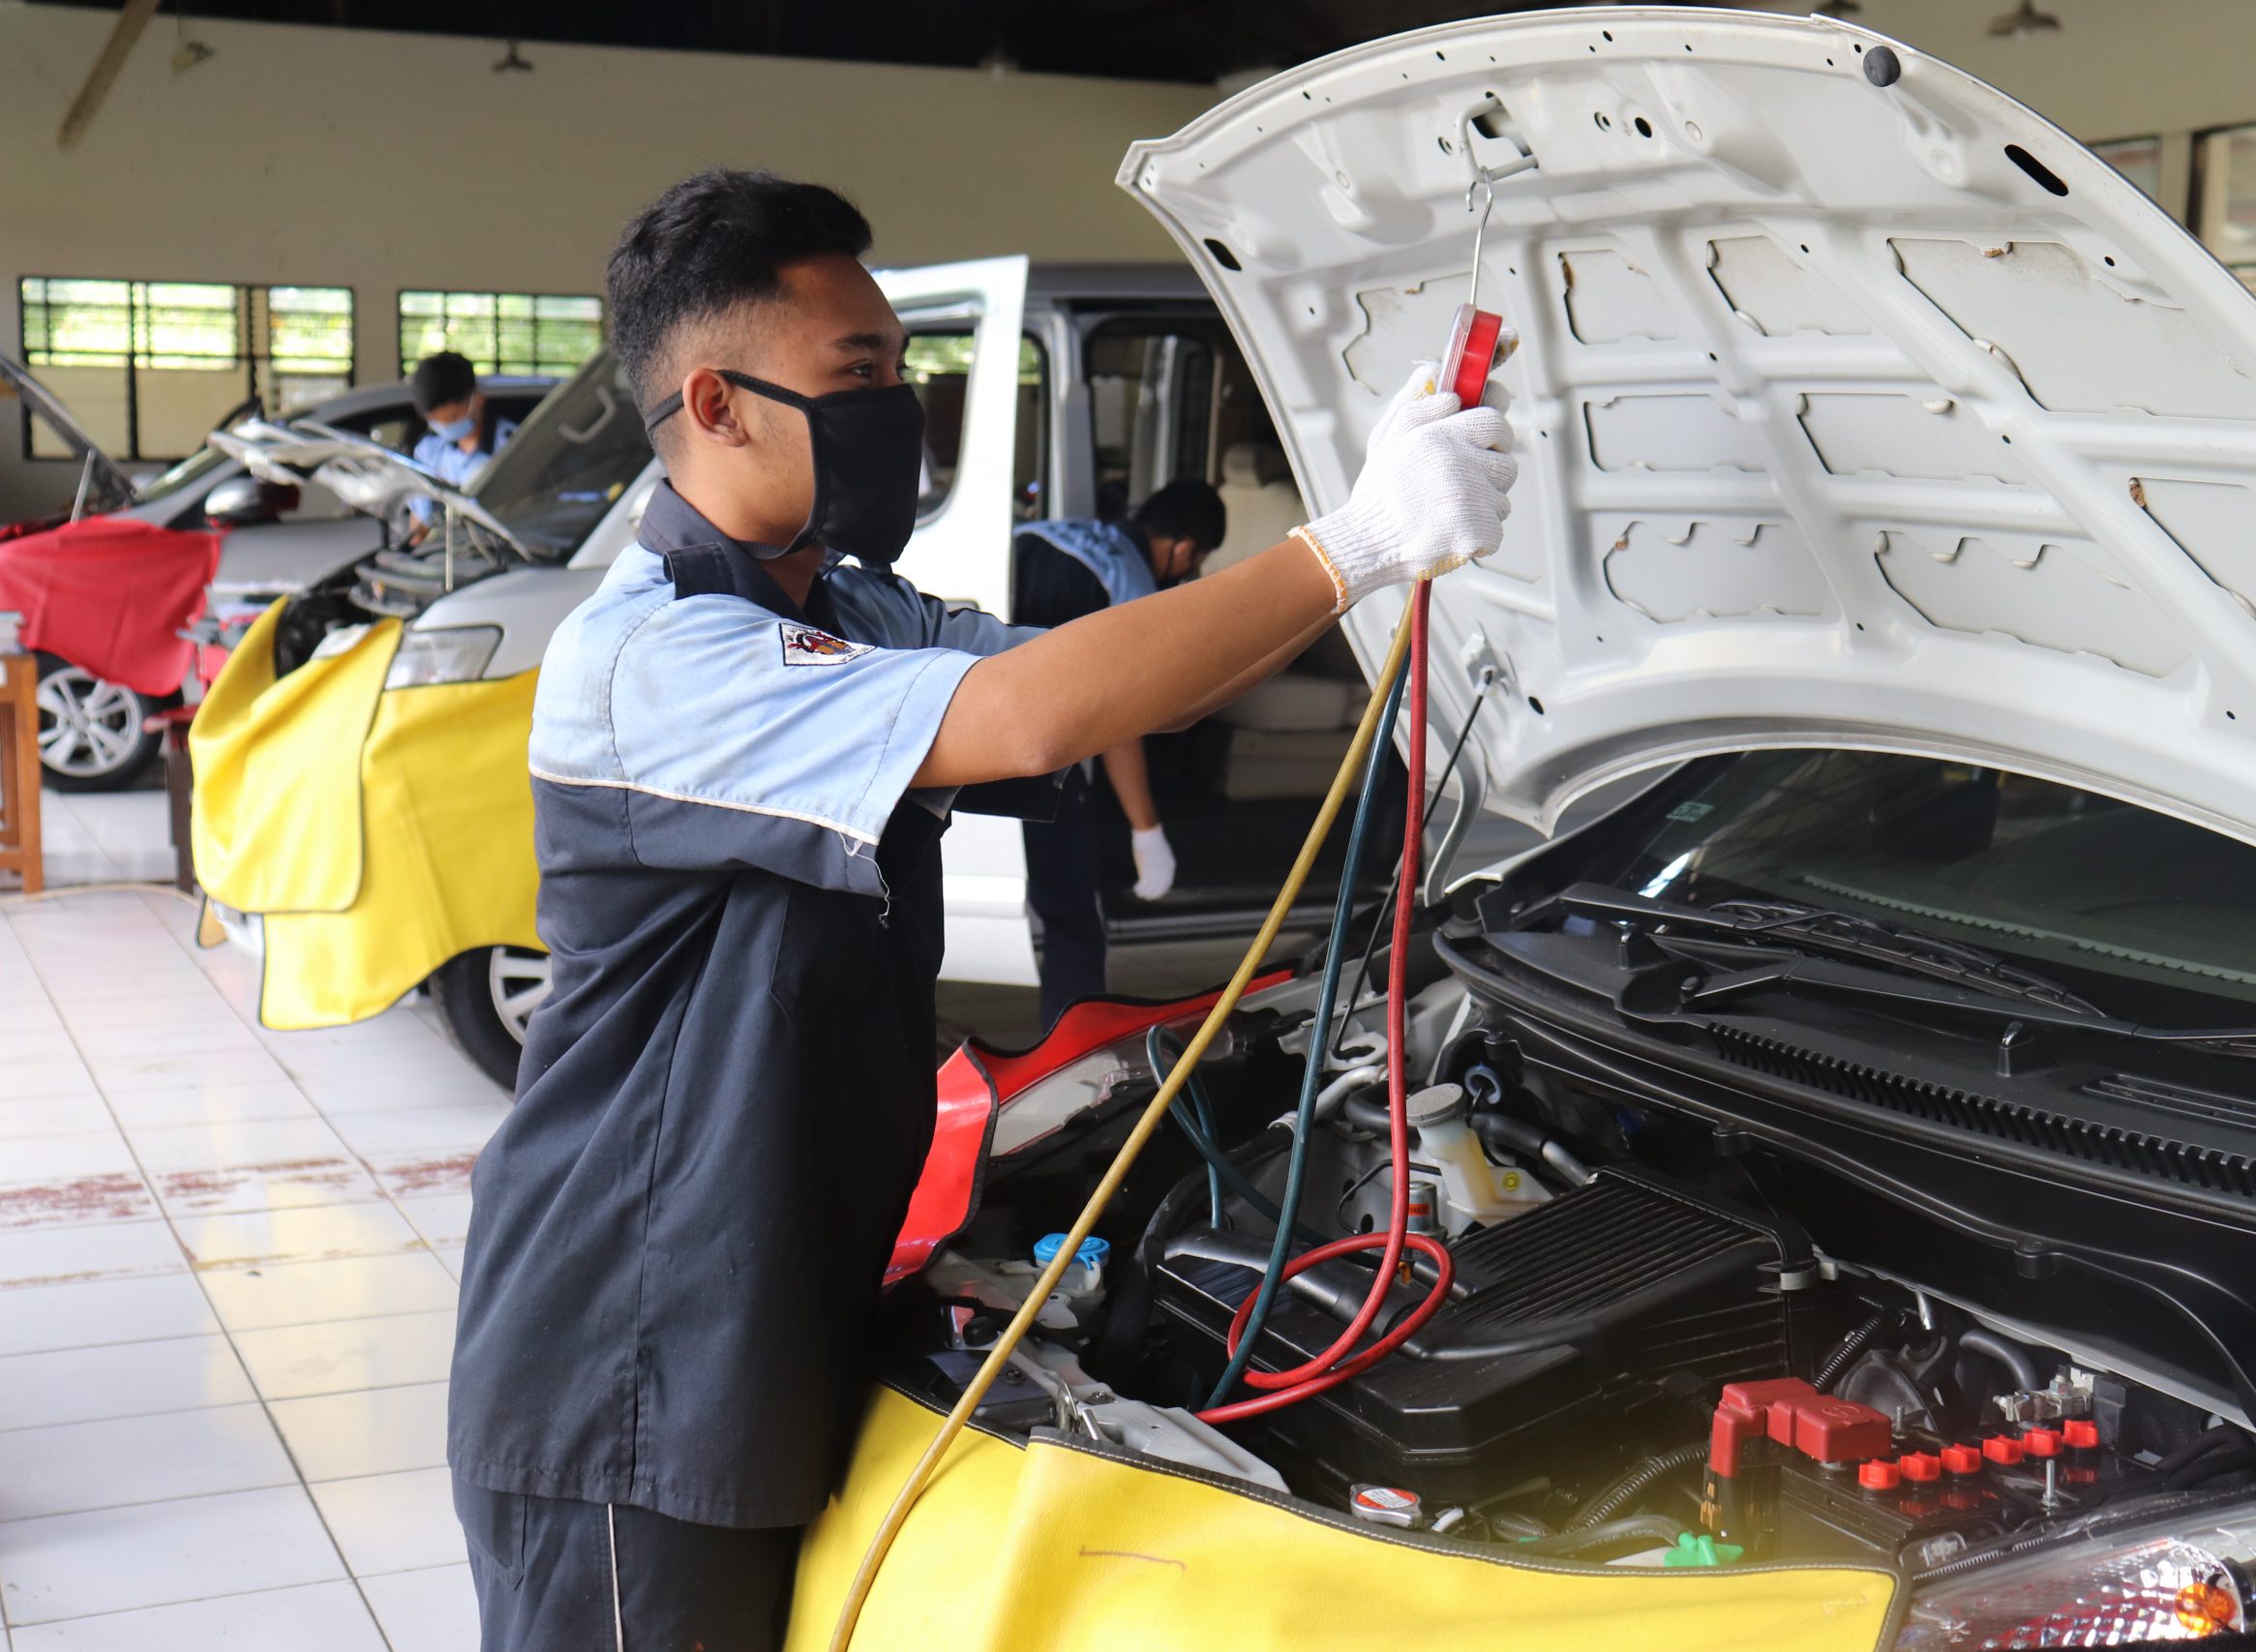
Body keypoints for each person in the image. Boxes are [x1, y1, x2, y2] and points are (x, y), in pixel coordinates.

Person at [445, 167, 1515, 1650]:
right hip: (632, 1342)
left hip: (769, 1288)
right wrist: (1351, 543)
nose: (904, 403)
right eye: (863, 373)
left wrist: (1372, 530)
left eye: (905, 368)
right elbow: (1018, 714)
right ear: (719, 399)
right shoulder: (652, 663)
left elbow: (1088, 686)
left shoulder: (849, 610)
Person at [1012, 480, 1224, 1026]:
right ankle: (1074, 1054)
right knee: (1075, 918)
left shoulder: (1050, 529)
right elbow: (1121, 723)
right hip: (1038, 749)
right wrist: (1147, 830)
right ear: (1183, 548)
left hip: (970, 717)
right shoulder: (1131, 585)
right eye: (1195, 559)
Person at [406, 350, 520, 537]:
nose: (443, 426)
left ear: (478, 400)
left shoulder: (511, 447)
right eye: (435, 420)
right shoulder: (429, 451)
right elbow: (418, 528)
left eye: (451, 418)